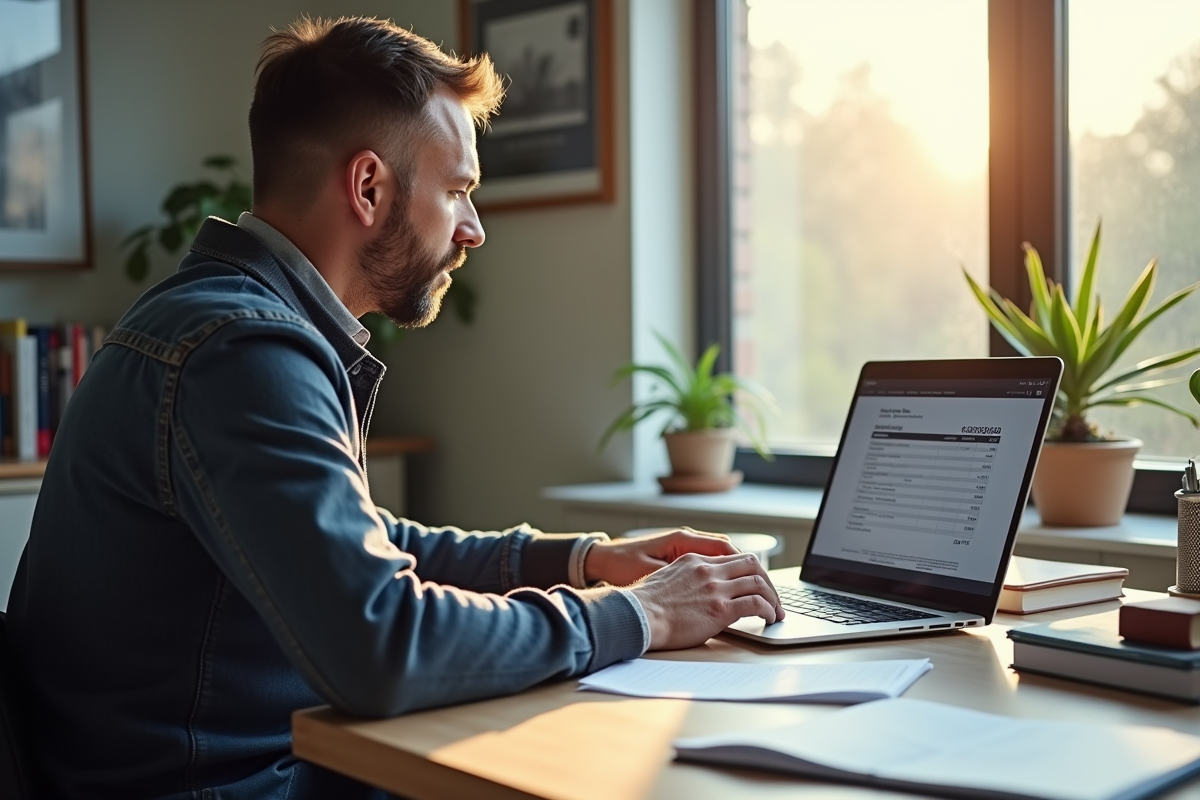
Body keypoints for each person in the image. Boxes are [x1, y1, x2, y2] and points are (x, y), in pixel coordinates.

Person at [7, 17, 784, 800]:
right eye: (456, 192)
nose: (473, 230)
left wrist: (584, 561)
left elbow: (362, 547)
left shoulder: (212, 320)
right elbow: (384, 645)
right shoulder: (243, 351)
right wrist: (638, 615)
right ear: (369, 187)